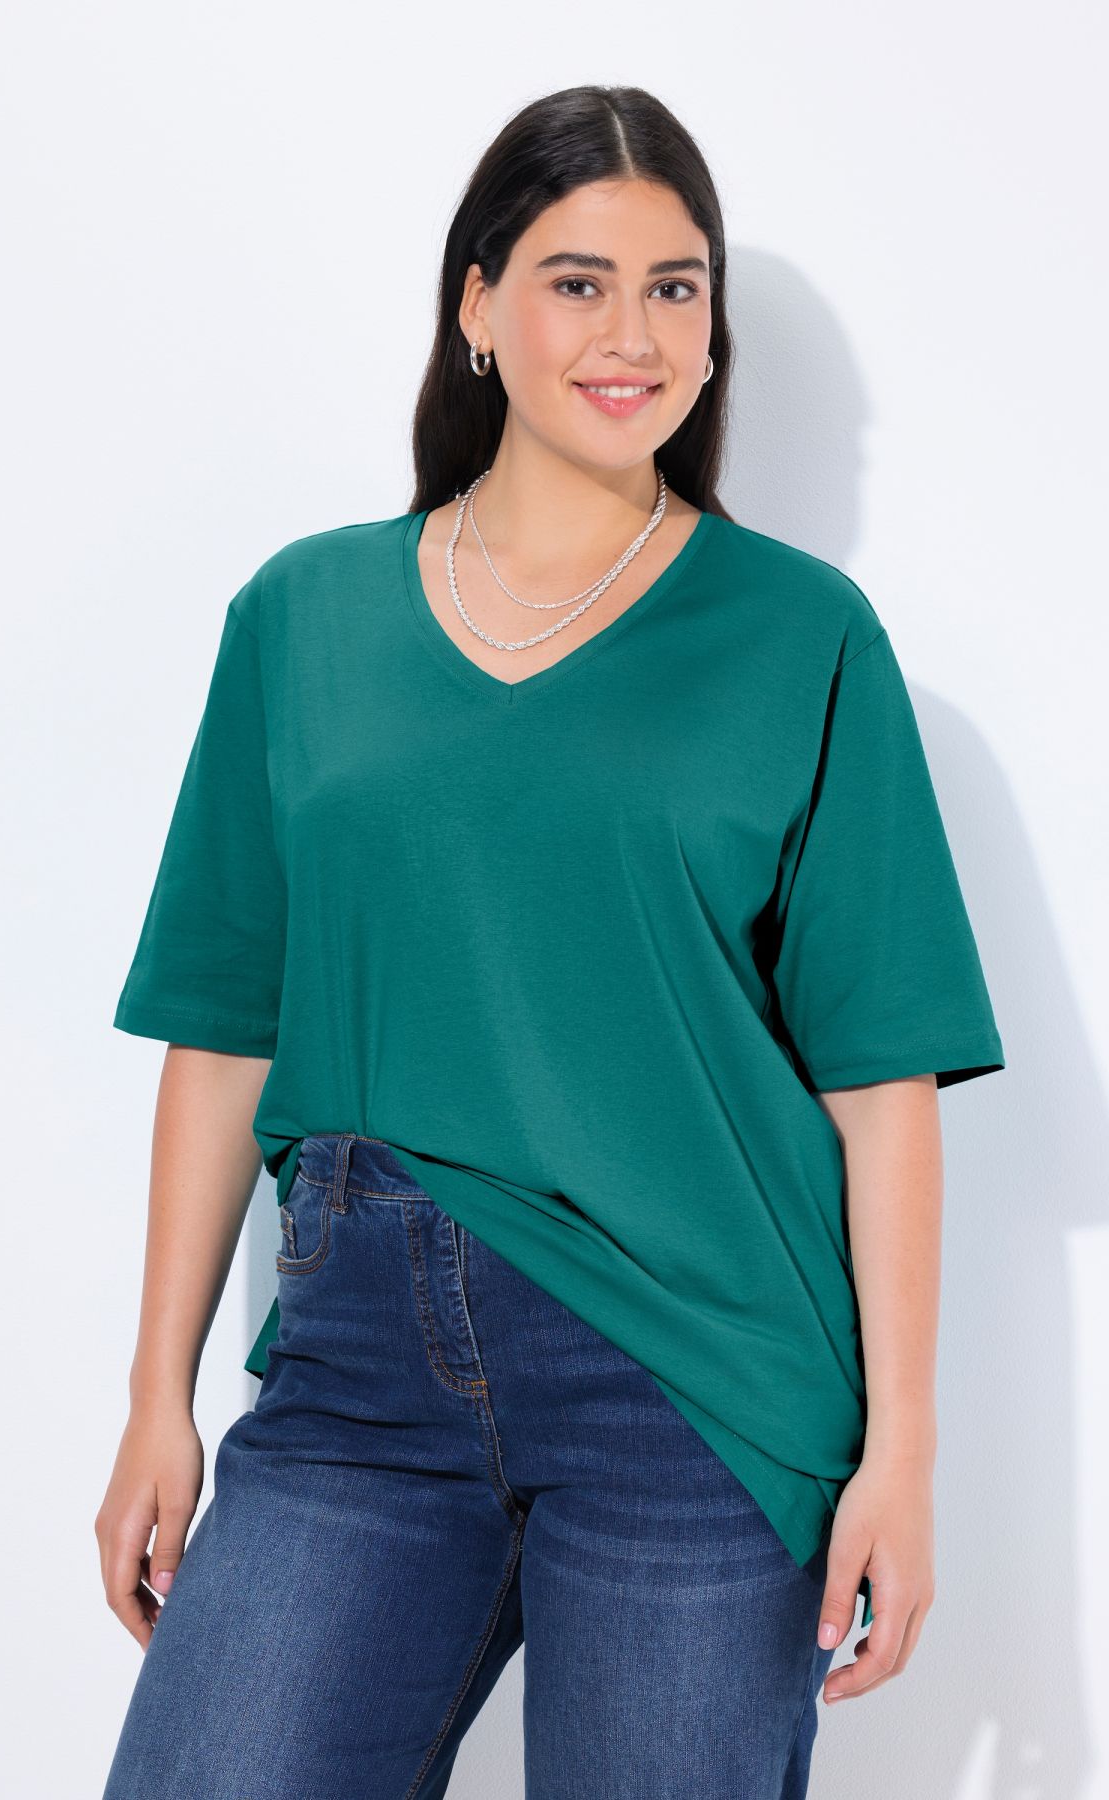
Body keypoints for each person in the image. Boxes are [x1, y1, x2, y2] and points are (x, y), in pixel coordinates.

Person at [96, 83, 1005, 1800]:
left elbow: (882, 1085)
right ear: (479, 307)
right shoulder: (304, 617)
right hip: (358, 1377)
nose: (634, 334)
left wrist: (905, 1450)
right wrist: (159, 1394)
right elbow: (223, 1029)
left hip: (697, 1381)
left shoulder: (802, 636)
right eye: (579, 282)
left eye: (676, 288)